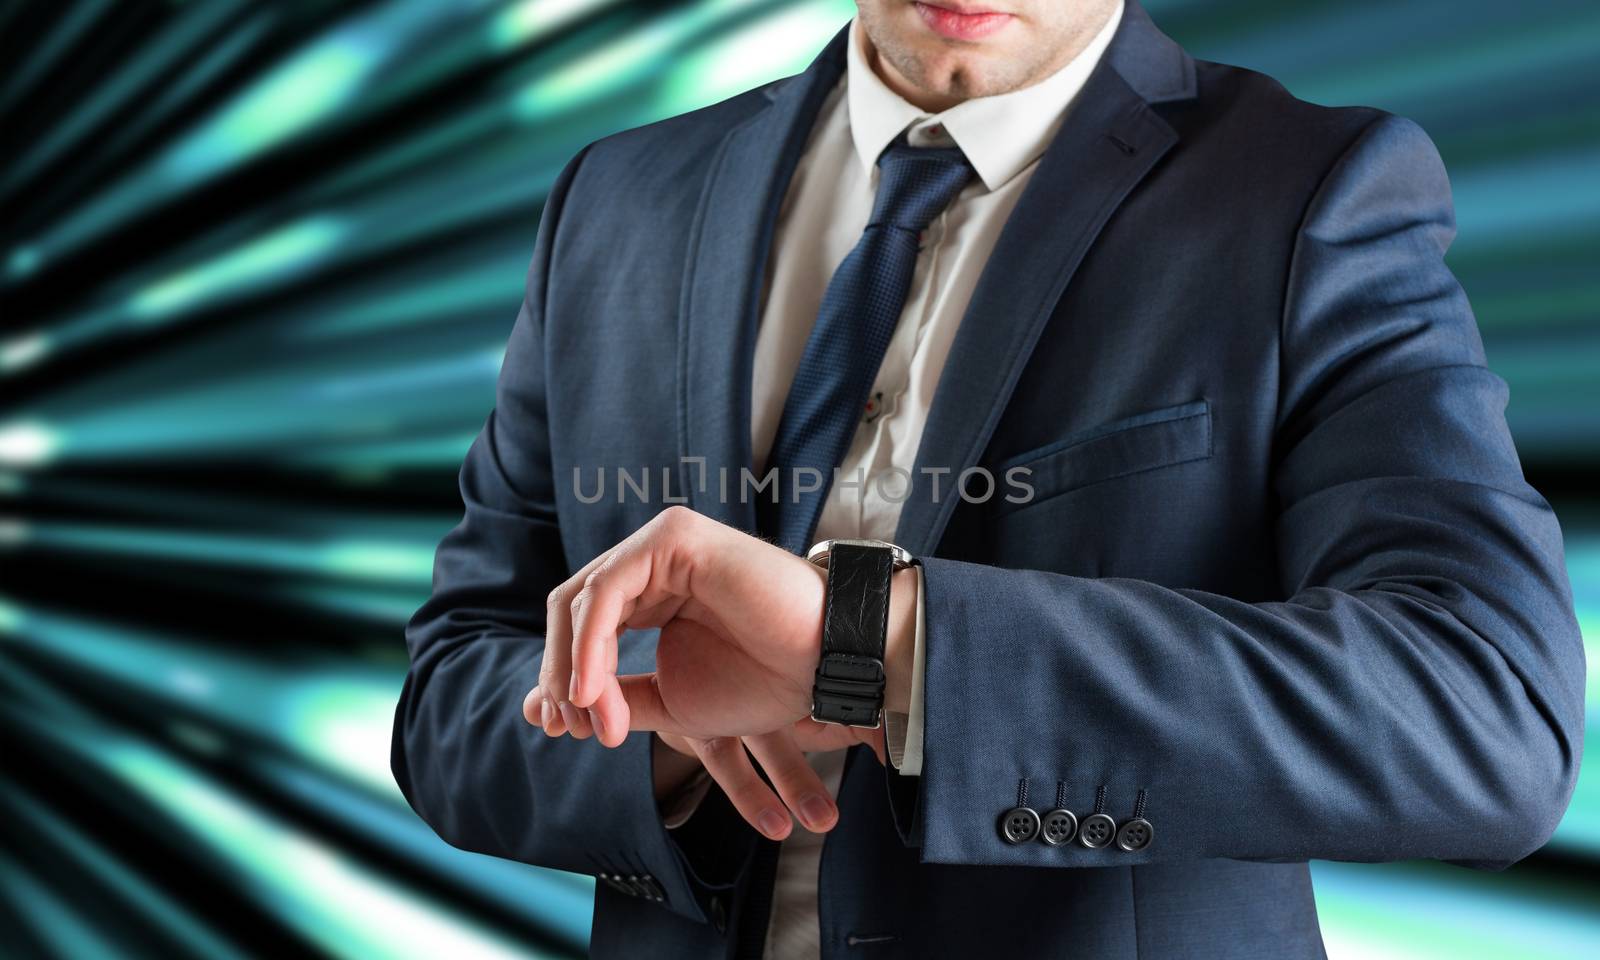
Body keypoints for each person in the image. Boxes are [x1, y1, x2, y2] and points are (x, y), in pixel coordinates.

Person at [390, 1, 1586, 957]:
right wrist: (653, 732)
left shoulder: (1310, 195)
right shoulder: (617, 196)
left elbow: (1484, 718)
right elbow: (447, 703)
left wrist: (869, 638)